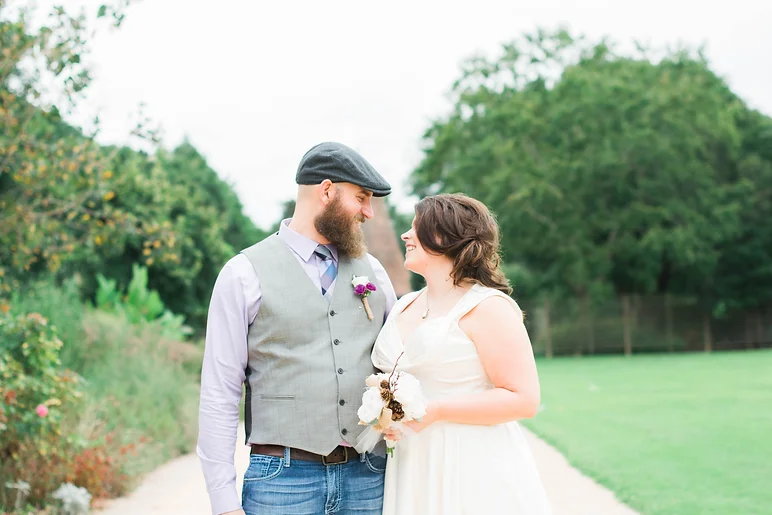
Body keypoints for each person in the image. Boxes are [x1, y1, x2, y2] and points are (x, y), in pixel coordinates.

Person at [197, 142, 398, 515]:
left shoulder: (373, 271)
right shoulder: (243, 273)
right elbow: (219, 392)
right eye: (361, 198)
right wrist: (223, 502)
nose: (368, 212)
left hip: (368, 476)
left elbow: (401, 363)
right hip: (281, 481)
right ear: (327, 191)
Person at [372, 193, 552, 515]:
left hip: (470, 462)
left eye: (416, 227)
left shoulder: (488, 307)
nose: (405, 235)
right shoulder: (403, 305)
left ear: (444, 236)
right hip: (411, 464)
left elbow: (524, 399)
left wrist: (436, 410)